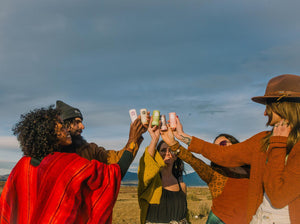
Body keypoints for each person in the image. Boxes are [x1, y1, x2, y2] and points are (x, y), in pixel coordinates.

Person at [161, 74, 300, 223]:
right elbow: (222, 155)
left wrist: (278, 145)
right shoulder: (263, 140)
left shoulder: (287, 146)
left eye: (268, 106)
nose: (265, 112)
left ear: (282, 106)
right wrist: (181, 136)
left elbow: (279, 197)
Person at [0, 106, 134, 223]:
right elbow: (112, 175)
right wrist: (133, 140)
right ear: (49, 132)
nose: (67, 130)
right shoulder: (68, 164)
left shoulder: (22, 165)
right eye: (61, 125)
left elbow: (7, 209)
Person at [161, 130, 250, 224]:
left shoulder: (252, 170)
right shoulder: (214, 174)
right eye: (215, 147)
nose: (219, 148)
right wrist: (173, 144)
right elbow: (193, 160)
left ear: (235, 144)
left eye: (223, 143)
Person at [56, 100, 146, 164]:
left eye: (81, 122)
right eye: (77, 122)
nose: (82, 126)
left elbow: (116, 160)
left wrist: (135, 137)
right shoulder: (51, 155)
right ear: (65, 124)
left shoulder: (90, 150)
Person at [138, 116, 188, 224]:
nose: (167, 153)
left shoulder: (182, 186)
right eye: (163, 150)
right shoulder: (150, 183)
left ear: (176, 156)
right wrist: (154, 139)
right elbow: (146, 167)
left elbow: (185, 216)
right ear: (157, 155)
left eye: (171, 150)